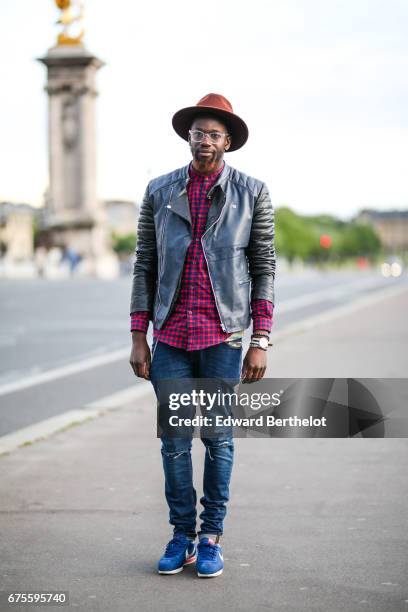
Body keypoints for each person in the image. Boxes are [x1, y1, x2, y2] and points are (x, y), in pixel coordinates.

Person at [129, 93, 275, 578]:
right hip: (170, 337)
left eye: (215, 133)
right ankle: (181, 537)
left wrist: (261, 339)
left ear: (228, 141)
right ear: (187, 137)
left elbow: (263, 267)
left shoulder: (253, 193)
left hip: (223, 339)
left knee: (217, 440)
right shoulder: (159, 191)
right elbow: (145, 265)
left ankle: (210, 537)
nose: (205, 140)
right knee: (173, 443)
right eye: (198, 132)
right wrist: (138, 334)